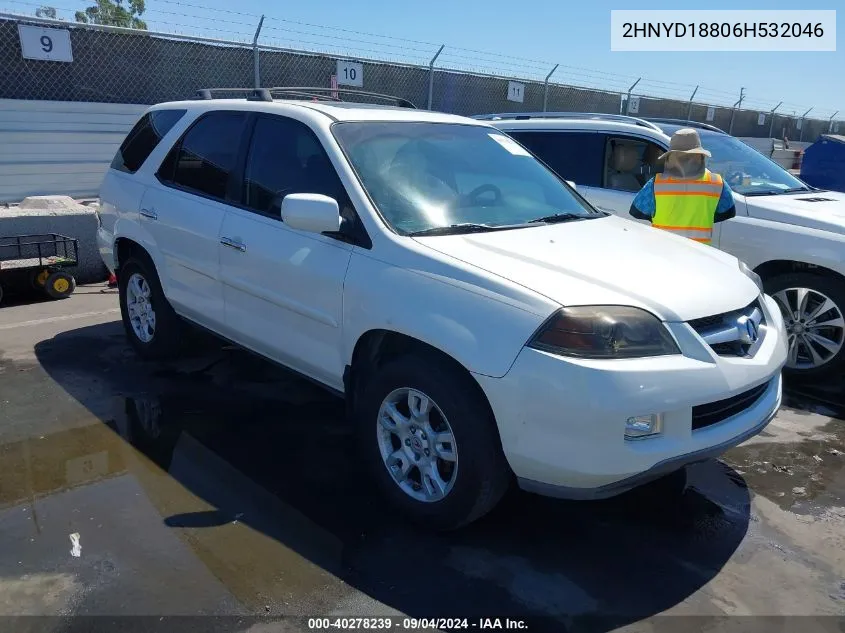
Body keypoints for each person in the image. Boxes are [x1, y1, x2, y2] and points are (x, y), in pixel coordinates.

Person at [629, 128, 735, 245]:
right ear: (700, 156)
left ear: (670, 158)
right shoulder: (717, 183)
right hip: (699, 255)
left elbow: (636, 211)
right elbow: (727, 212)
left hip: (663, 253)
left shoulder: (656, 184)